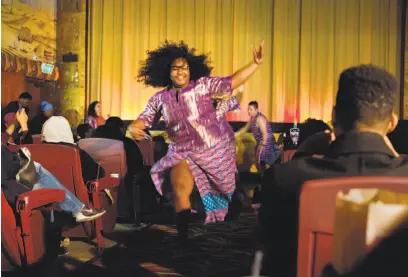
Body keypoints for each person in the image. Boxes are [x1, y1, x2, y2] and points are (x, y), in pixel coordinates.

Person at [257, 64, 408, 277]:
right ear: (392, 122)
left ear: (334, 116)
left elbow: (271, 250)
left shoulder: (285, 179)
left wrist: (302, 155)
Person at [128, 40, 264, 253]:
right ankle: (183, 240)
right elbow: (143, 119)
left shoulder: (203, 86)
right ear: (167, 71)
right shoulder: (159, 98)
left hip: (214, 150)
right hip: (181, 151)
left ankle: (233, 200)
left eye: (184, 67)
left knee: (228, 194)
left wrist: (254, 64)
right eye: (175, 67)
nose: (180, 71)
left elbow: (231, 81)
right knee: (180, 188)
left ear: (191, 70)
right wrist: (135, 127)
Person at [42, 116, 104, 184]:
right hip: (71, 194)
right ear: (67, 131)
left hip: (42, 193)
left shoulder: (37, 151)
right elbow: (99, 173)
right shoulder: (76, 152)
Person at [235, 101, 281, 172]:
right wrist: (233, 135)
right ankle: (264, 179)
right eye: (248, 109)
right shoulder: (252, 119)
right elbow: (244, 129)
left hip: (268, 143)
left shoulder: (259, 118)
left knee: (261, 162)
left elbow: (265, 134)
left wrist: (262, 146)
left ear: (256, 110)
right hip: (261, 143)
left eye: (251, 109)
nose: (249, 111)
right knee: (258, 164)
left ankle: (278, 152)